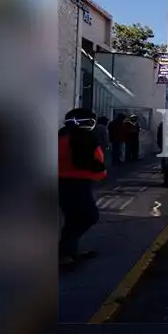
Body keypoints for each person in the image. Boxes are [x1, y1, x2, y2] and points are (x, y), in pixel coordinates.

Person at [58, 108, 107, 268]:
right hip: (76, 184)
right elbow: (89, 162)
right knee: (88, 216)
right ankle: (64, 254)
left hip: (64, 183)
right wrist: (101, 170)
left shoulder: (62, 136)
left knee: (73, 218)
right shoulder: (82, 138)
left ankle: (69, 251)